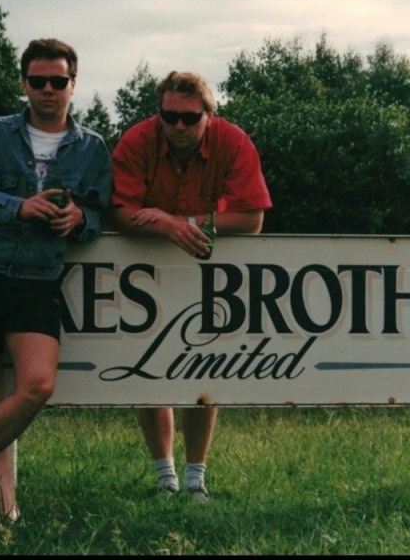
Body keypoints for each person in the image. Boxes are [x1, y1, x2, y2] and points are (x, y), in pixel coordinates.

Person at [0, 38, 112, 529]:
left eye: (58, 81)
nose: (48, 90)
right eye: (38, 81)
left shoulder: (92, 148)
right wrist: (16, 206)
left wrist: (80, 219)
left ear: (73, 84)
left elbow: (102, 210)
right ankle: (6, 509)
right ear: (24, 84)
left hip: (36, 279)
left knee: (36, 385)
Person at [106, 70, 272, 503]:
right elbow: (119, 212)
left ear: (209, 115)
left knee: (203, 367)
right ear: (158, 113)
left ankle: (196, 478)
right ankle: (166, 478)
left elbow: (252, 218)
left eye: (190, 118)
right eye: (169, 116)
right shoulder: (136, 141)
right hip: (145, 263)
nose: (178, 126)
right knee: (147, 366)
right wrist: (165, 225)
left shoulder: (233, 141)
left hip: (207, 262)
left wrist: (185, 223)